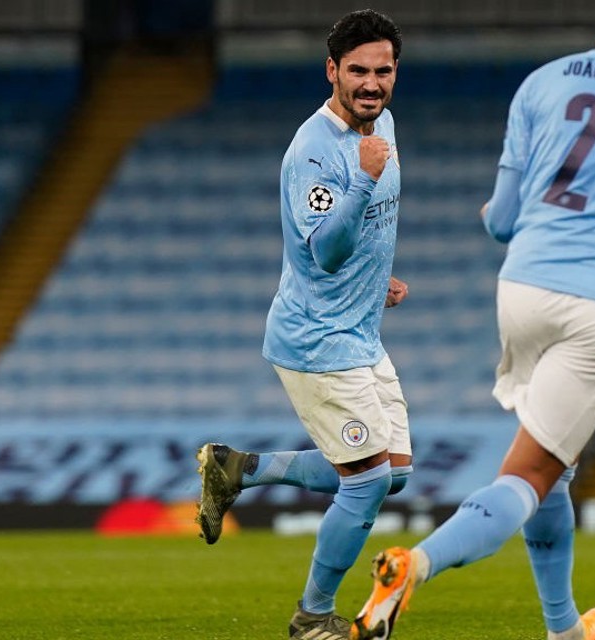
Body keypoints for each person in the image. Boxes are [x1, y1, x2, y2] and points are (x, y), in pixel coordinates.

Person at [349, 2, 595, 638]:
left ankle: (564, 629)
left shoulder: (544, 82)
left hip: (524, 289)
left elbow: (500, 221)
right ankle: (414, 565)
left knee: (554, 464)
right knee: (528, 473)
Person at [194, 10, 414, 640]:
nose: (371, 84)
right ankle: (311, 617)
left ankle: (240, 469)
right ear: (332, 72)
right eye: (358, 72)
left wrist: (381, 280)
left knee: (393, 473)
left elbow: (365, 238)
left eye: (383, 70)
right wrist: (366, 178)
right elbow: (326, 250)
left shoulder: (381, 124)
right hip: (317, 339)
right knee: (368, 479)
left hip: (360, 330)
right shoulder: (314, 153)